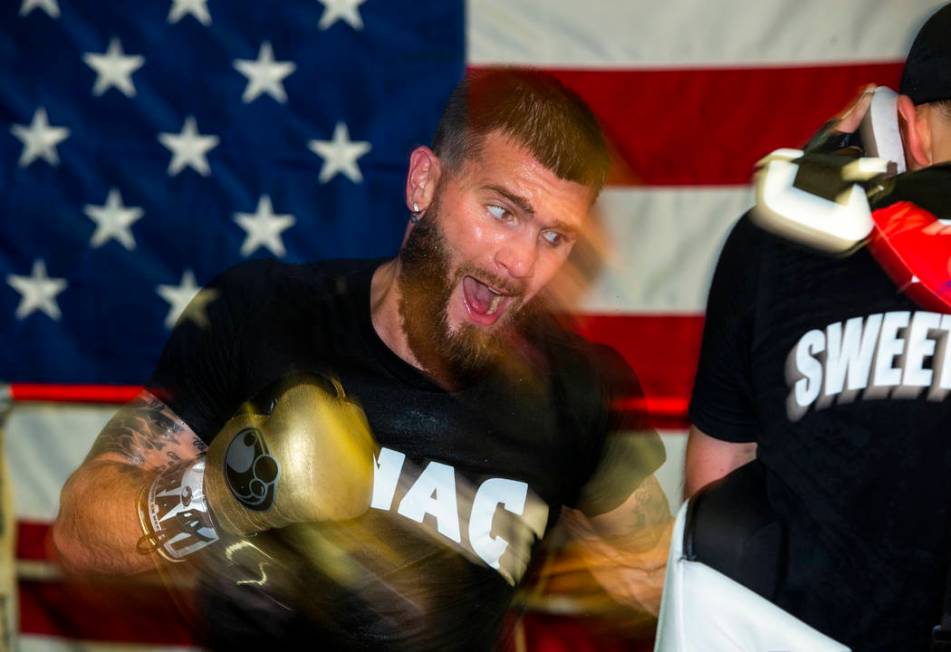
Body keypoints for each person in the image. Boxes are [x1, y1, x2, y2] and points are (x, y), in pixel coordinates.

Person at [51, 70, 671, 650]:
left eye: (555, 237)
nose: (521, 264)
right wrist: (220, 495)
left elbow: (653, 579)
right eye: (501, 211)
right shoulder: (263, 315)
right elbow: (79, 535)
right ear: (423, 182)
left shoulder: (577, 392)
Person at [684, 4, 951, 649]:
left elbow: (717, 487)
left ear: (905, 127)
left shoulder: (772, 240)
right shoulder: (776, 242)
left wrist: (821, 171)